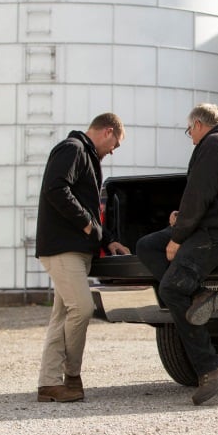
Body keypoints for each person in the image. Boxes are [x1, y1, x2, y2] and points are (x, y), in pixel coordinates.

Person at [136, 103, 218, 405]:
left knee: (171, 289)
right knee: (146, 246)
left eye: (189, 130)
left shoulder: (215, 143)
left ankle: (211, 366)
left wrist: (179, 236)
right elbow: (212, 196)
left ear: (200, 125)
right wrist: (185, 218)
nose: (190, 136)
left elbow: (198, 192)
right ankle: (200, 293)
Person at [35, 113, 130, 403]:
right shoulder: (73, 149)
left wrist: (107, 239)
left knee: (62, 316)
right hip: (63, 249)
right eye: (116, 143)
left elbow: (88, 205)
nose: (114, 150)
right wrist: (86, 224)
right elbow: (55, 188)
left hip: (73, 249)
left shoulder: (86, 157)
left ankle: (49, 384)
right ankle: (71, 376)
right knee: (83, 308)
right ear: (107, 131)